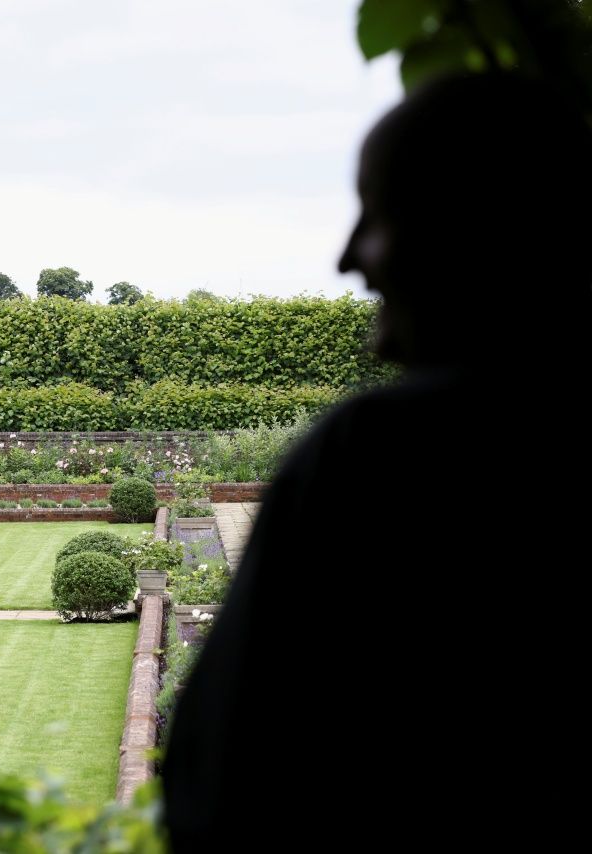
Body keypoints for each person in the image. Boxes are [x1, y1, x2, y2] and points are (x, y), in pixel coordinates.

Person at [161, 73, 592, 851]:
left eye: (382, 212)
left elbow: (221, 779)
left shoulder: (383, 455)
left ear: (479, 224)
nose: (349, 256)